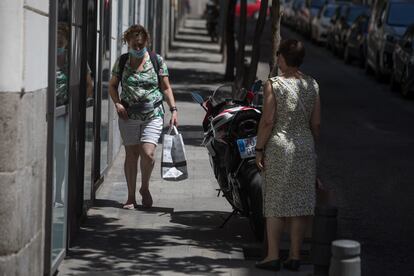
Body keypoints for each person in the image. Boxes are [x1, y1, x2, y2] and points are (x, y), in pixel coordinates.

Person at [254, 39, 321, 271]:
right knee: (300, 202)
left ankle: (272, 256)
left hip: (280, 147)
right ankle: (294, 256)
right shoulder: (312, 84)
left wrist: (259, 149)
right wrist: (311, 147)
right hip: (304, 146)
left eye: (279, 56)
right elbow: (317, 124)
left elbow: (268, 121)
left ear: (282, 58)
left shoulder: (274, 85)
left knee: (275, 202)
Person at [108, 25, 178, 209]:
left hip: (152, 114)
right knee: (131, 155)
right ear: (128, 43)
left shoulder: (156, 60)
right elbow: (112, 86)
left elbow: (166, 87)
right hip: (128, 115)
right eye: (134, 45)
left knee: (148, 154)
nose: (138, 48)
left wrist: (174, 109)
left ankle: (144, 187)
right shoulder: (122, 61)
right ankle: (131, 196)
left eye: (141, 44)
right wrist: (118, 103)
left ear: (146, 42)